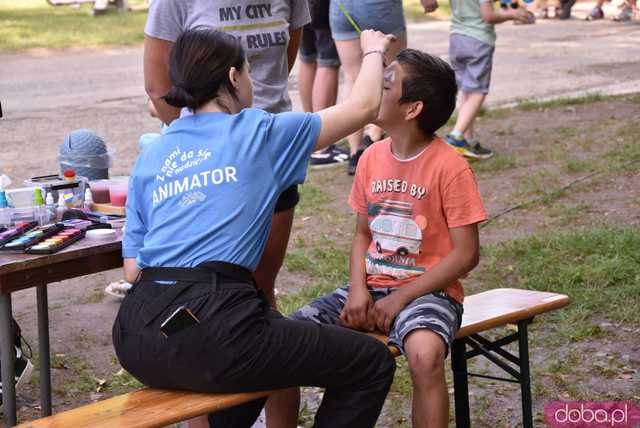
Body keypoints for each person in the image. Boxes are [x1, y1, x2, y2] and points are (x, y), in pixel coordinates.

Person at [113, 28, 397, 428]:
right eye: (247, 71)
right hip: (216, 325)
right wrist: (372, 50)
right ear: (232, 78)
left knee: (254, 365)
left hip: (137, 337)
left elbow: (131, 269)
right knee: (369, 362)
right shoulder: (261, 132)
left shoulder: (154, 151)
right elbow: (365, 105)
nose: (250, 81)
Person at [288, 49, 487, 428]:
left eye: (385, 83)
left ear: (412, 109)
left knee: (425, 355)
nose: (372, 88)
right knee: (287, 336)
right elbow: (363, 233)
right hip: (370, 288)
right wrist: (360, 291)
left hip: (428, 294)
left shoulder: (450, 167)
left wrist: (401, 297)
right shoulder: (370, 157)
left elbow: (467, 254)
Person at [142, 2, 309, 423]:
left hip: (269, 147)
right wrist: (205, 137)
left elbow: (287, 53)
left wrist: (248, 120)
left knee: (260, 295)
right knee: (199, 305)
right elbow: (157, 83)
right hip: (207, 162)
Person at [436, 0, 533, 160]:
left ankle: (468, 140)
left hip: (456, 38)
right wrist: (512, 14)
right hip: (477, 40)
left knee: (467, 91)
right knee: (478, 91)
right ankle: (456, 136)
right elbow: (488, 15)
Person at [328, 0, 408, 175]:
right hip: (379, 7)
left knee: (353, 77)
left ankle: (355, 152)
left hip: (341, 7)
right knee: (389, 73)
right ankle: (373, 138)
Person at [301, 0, 350, 169]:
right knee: (328, 62)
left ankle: (309, 136)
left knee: (307, 59)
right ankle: (321, 147)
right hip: (322, 6)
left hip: (299, 6)